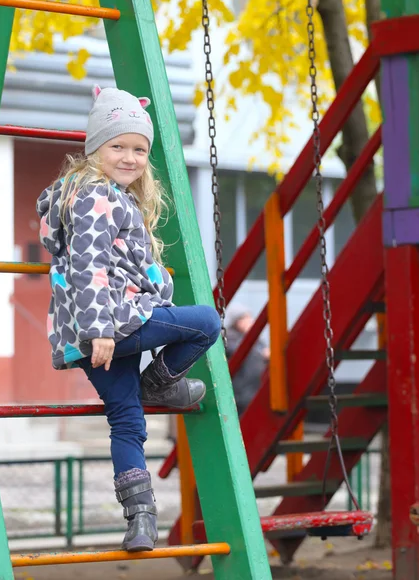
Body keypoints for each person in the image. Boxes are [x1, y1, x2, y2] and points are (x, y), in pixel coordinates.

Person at [36, 85, 221, 553]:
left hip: (86, 332)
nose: (130, 157)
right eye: (117, 146)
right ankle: (160, 382)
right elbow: (89, 264)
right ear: (94, 148)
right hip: (113, 325)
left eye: (139, 149)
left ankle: (141, 521)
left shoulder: (85, 196)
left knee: (126, 421)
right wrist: (101, 329)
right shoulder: (99, 197)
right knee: (206, 322)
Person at [225, 303, 269, 417]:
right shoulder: (230, 337)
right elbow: (239, 350)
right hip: (240, 391)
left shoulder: (254, 338)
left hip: (254, 389)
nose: (250, 321)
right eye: (245, 318)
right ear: (237, 321)